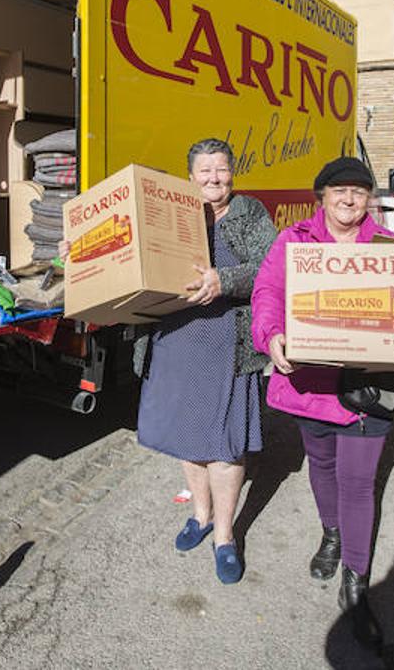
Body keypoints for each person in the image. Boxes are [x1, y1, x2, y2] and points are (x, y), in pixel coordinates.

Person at [251, 156, 394, 650]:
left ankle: (356, 575)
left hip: (370, 389)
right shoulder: (294, 242)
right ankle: (331, 533)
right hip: (310, 383)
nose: (349, 199)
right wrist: (272, 334)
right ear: (320, 196)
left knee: (357, 482)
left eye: (359, 191)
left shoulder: (391, 247)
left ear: (371, 199)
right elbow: (268, 291)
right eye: (339, 191)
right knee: (321, 466)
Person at [131, 138, 277, 584]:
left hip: (225, 341)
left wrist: (225, 279)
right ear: (190, 176)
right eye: (205, 171)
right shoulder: (172, 211)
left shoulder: (249, 213)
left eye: (222, 169)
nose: (214, 178)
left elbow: (271, 266)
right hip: (177, 338)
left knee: (225, 443)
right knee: (188, 435)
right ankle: (200, 516)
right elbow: (131, 252)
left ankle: (226, 537)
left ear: (232, 173)